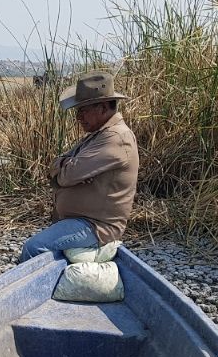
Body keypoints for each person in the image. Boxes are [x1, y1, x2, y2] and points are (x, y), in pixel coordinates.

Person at [19, 71, 139, 262]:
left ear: (102, 108)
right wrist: (68, 167)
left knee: (34, 247)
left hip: (96, 227)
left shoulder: (115, 137)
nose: (78, 117)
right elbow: (57, 164)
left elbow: (66, 175)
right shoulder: (99, 134)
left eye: (83, 110)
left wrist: (69, 169)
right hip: (81, 221)